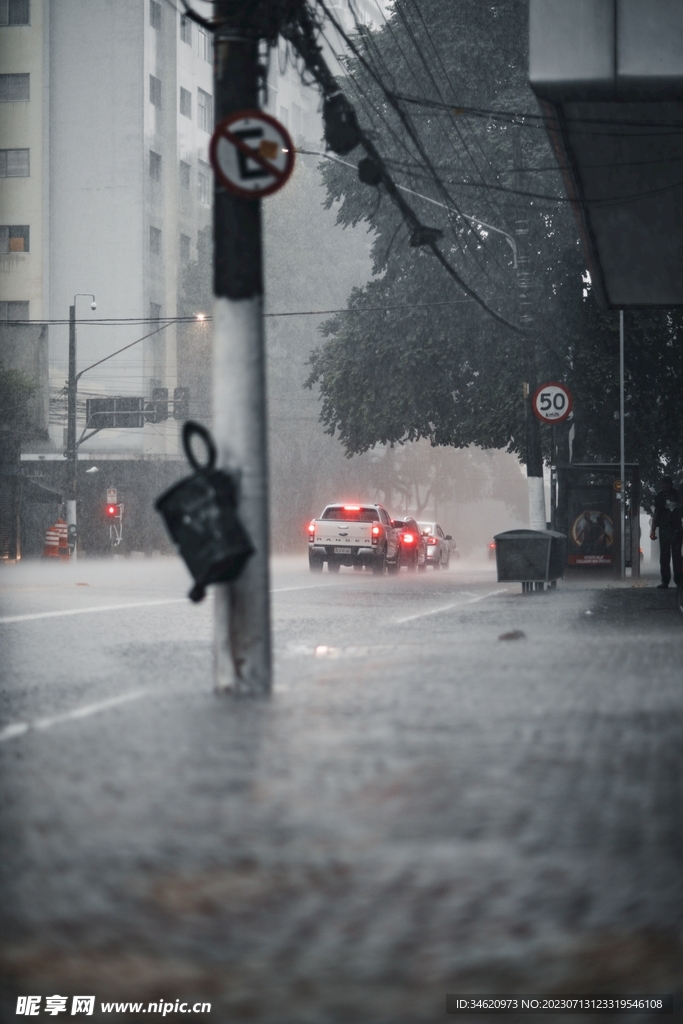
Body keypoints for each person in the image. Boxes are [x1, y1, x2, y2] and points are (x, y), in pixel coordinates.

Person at [649, 475, 682, 588]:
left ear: (670, 484)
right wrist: (653, 530)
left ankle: (678, 580)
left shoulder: (678, 496)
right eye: (663, 485)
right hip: (664, 529)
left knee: (677, 556)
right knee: (664, 556)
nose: (664, 487)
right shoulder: (659, 497)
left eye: (666, 485)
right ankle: (665, 580)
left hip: (676, 528)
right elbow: (656, 514)